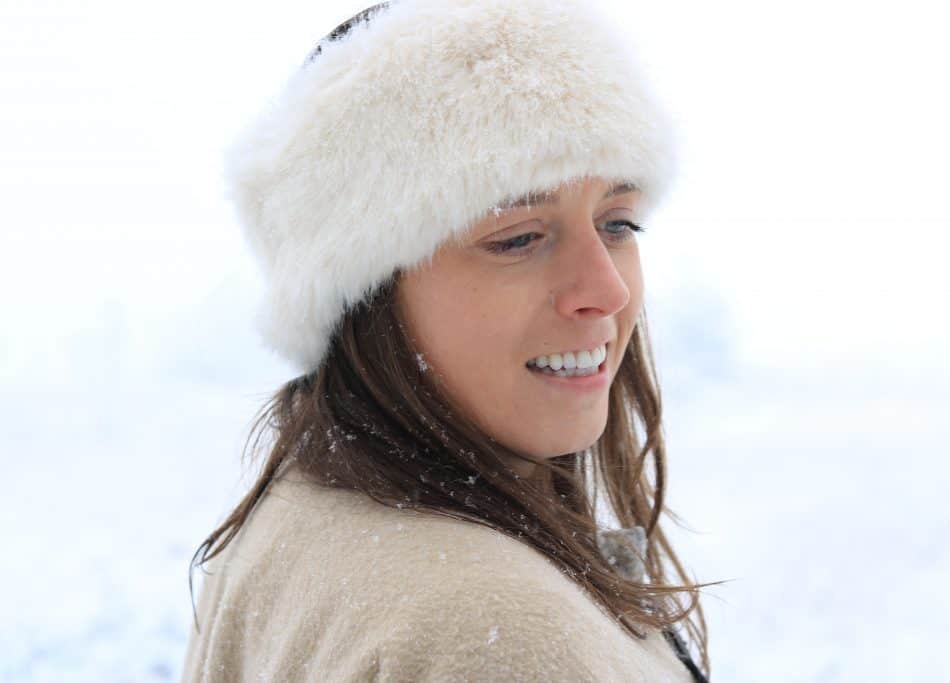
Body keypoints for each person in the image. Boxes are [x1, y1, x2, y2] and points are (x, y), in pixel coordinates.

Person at [183, 1, 717, 681]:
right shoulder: (505, 636)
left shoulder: (291, 522)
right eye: (519, 237)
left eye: (618, 224)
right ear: (362, 290)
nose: (607, 289)